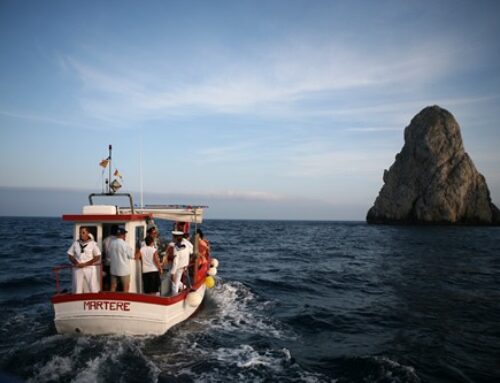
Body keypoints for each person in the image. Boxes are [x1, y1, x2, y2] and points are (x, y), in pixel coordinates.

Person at [67, 226, 101, 293]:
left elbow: (97, 256)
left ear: (87, 233)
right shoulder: (76, 243)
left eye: (83, 232)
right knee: (77, 288)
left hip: (90, 268)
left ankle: (94, 299)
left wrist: (85, 264)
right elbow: (70, 254)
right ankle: (77, 301)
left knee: (93, 287)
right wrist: (76, 263)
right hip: (78, 267)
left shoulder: (93, 244)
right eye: (80, 233)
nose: (81, 234)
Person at [108, 227, 135, 292]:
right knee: (125, 289)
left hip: (114, 270)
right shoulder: (125, 245)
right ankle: (125, 301)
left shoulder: (111, 244)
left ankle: (112, 301)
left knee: (112, 288)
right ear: (123, 235)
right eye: (125, 234)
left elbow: (108, 255)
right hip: (124, 271)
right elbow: (131, 256)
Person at [170, 230, 192, 295]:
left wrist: (172, 272)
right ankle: (185, 287)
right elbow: (190, 251)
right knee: (177, 280)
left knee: (174, 284)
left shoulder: (176, 248)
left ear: (175, 238)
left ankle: (174, 296)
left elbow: (175, 261)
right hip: (184, 265)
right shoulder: (186, 244)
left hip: (178, 267)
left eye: (173, 237)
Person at [102, 224, 118, 291]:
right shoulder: (118, 240)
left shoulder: (105, 240)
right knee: (114, 281)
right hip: (115, 264)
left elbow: (103, 251)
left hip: (107, 263)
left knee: (107, 280)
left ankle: (106, 290)